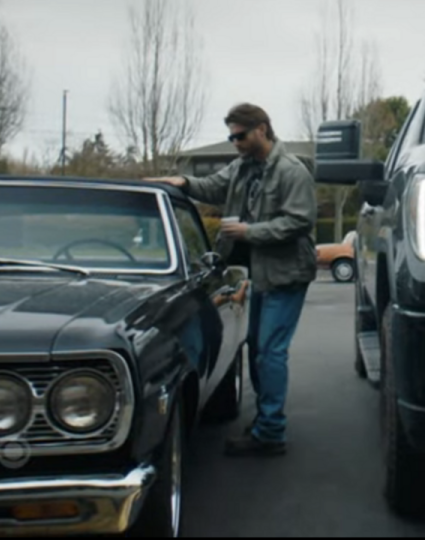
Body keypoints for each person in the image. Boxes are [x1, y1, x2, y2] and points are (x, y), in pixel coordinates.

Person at [145, 103, 317, 457]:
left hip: (287, 275)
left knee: (270, 352)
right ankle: (265, 425)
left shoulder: (291, 171)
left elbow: (299, 221)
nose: (234, 142)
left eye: (240, 135)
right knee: (256, 348)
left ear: (262, 130)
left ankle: (271, 432)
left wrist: (248, 232)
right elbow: (212, 186)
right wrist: (184, 183)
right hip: (263, 274)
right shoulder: (243, 168)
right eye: (231, 136)